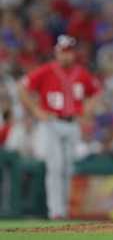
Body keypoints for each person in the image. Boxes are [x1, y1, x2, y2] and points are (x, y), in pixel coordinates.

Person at [18, 35, 101, 219]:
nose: (66, 56)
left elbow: (96, 91)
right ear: (57, 52)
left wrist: (87, 109)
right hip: (52, 122)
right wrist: (35, 110)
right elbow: (22, 87)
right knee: (55, 167)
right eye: (63, 52)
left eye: (69, 52)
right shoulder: (46, 71)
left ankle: (65, 210)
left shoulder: (81, 73)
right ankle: (56, 212)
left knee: (69, 168)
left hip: (73, 124)